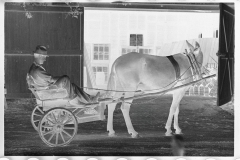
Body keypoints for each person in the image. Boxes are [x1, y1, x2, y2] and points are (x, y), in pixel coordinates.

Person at [28, 45, 99, 105]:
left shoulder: (34, 67)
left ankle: (89, 99)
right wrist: (61, 79)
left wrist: (58, 79)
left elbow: (48, 79)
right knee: (65, 78)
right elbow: (51, 79)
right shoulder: (37, 70)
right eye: (44, 56)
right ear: (40, 56)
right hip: (48, 91)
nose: (45, 59)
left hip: (44, 90)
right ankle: (75, 99)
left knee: (72, 86)